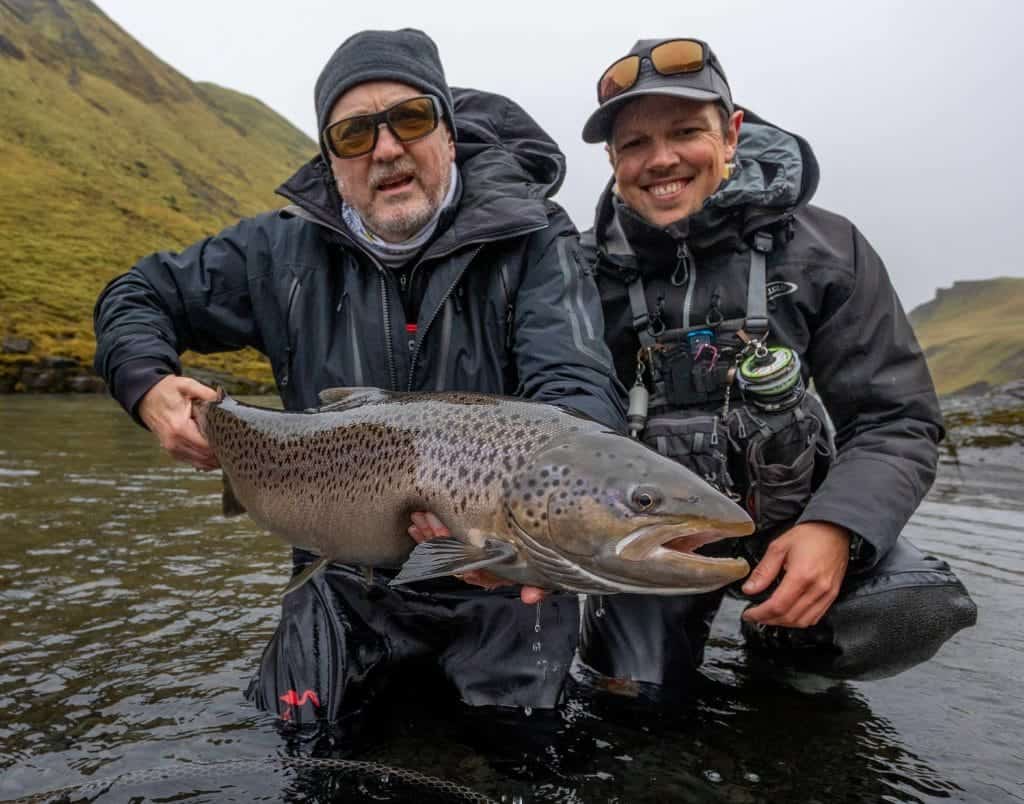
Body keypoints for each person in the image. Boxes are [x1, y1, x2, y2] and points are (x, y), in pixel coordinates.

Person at [93, 28, 626, 736]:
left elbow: (576, 391)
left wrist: (547, 533)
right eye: (353, 134)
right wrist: (147, 385)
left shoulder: (535, 240)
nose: (385, 149)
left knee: (518, 756)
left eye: (409, 120)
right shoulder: (276, 251)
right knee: (303, 750)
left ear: (448, 132)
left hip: (503, 581)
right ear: (331, 159)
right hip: (337, 576)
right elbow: (137, 293)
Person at [570, 37, 977, 689]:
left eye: (684, 132)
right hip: (654, 536)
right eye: (635, 144)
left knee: (906, 610)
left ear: (731, 134)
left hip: (798, 522)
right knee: (631, 699)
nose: (661, 159)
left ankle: (785, 650)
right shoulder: (579, 274)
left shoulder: (828, 248)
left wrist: (838, 527)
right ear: (613, 159)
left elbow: (895, 419)